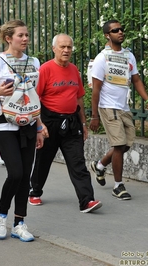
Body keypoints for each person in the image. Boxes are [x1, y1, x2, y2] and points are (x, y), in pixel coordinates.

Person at [0, 19, 44, 242]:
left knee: (25, 177)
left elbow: (35, 99)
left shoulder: (34, 62)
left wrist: (39, 127)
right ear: (9, 38)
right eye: (21, 35)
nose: (25, 39)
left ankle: (19, 223)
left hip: (28, 125)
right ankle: (1, 215)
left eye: (27, 35)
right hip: (4, 124)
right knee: (15, 172)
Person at [28, 34, 102, 214]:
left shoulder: (74, 70)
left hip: (71, 122)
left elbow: (78, 98)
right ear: (54, 49)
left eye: (69, 47)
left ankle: (87, 200)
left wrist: (83, 123)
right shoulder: (45, 70)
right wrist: (39, 124)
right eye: (62, 47)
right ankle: (35, 191)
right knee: (43, 160)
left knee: (78, 162)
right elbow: (34, 98)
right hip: (49, 122)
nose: (66, 50)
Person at [89, 19, 148, 200]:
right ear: (107, 35)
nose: (120, 32)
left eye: (121, 29)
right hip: (108, 106)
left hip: (124, 107)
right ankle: (118, 186)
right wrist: (94, 116)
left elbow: (135, 80)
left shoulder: (129, 56)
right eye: (115, 30)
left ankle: (100, 165)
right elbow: (95, 89)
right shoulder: (101, 58)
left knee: (126, 144)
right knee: (118, 145)